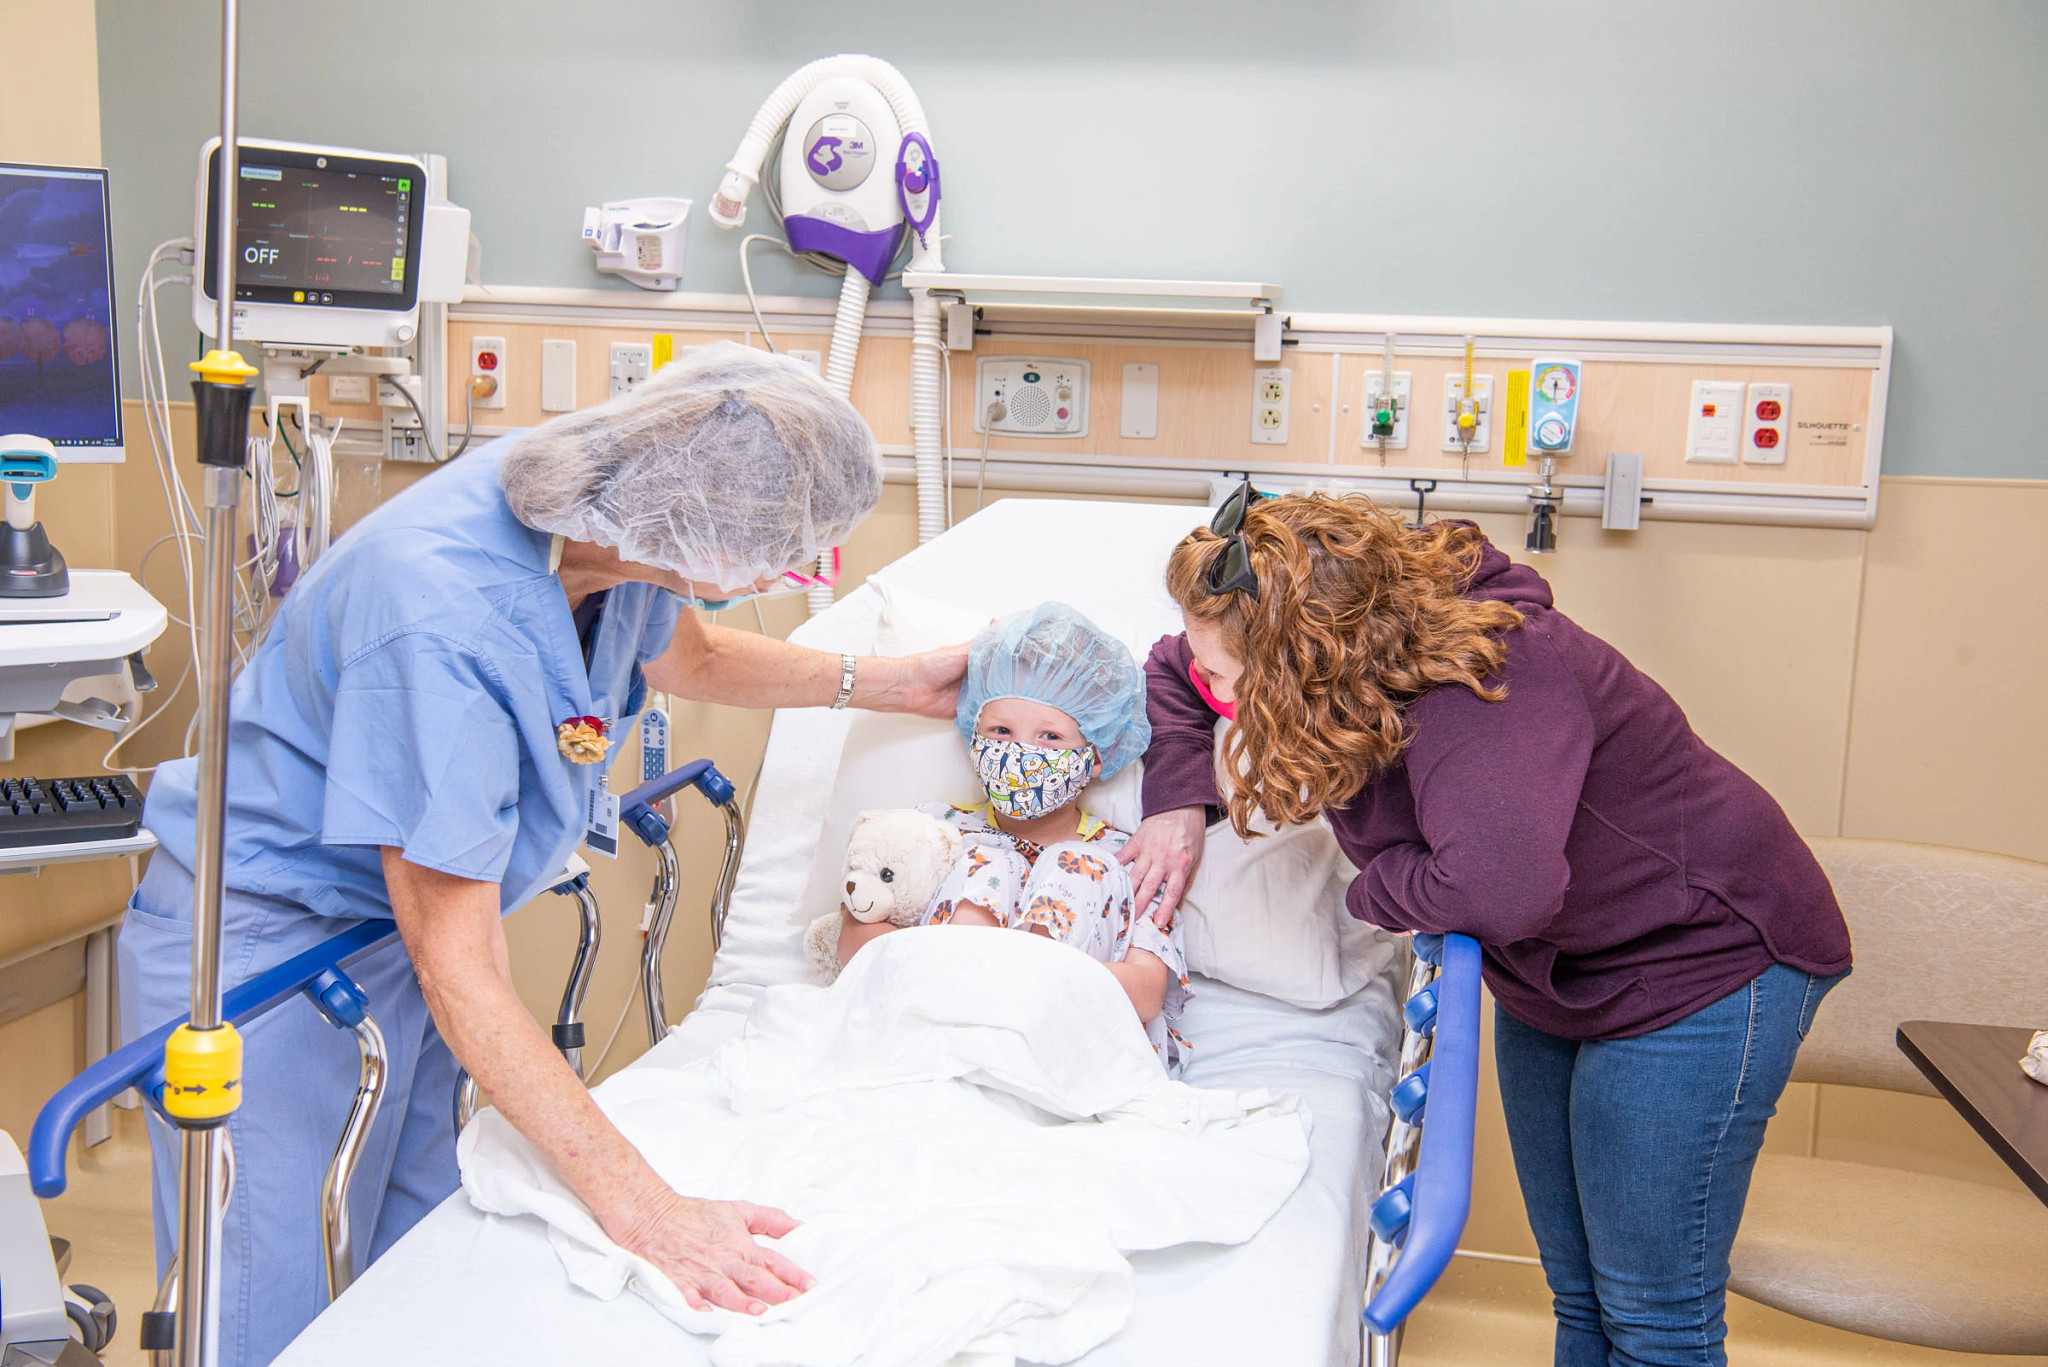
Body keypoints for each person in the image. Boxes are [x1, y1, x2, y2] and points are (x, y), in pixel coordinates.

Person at [119, 342, 966, 1367]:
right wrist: (651, 1210)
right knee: (268, 1303)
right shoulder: (441, 614)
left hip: (391, 939)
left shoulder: (607, 514)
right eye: (783, 551)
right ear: (702, 537)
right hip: (268, 954)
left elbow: (684, 654)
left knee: (415, 1260)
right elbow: (460, 962)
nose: (788, 567)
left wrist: (891, 682)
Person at [1119, 484, 1852, 1367]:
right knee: (1582, 1296)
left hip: (1703, 959)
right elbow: (1171, 668)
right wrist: (1179, 797)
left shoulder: (1487, 684)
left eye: (1231, 680)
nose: (1212, 690)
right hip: (1557, 965)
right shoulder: (1328, 651)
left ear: (1304, 664)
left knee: (1654, 1318)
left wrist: (1372, 886)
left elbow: (1499, 890)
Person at [836, 603, 1192, 1073]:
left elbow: (1146, 993)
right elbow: (855, 937)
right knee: (988, 864)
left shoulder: (1130, 858)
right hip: (939, 1034)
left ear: (1097, 754)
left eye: (1050, 737)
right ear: (973, 734)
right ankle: (967, 1047)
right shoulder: (935, 833)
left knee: (1078, 865)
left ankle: (1013, 1048)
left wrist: (1013, 976)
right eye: (1001, 731)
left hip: (1069, 1047)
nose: (1020, 751)